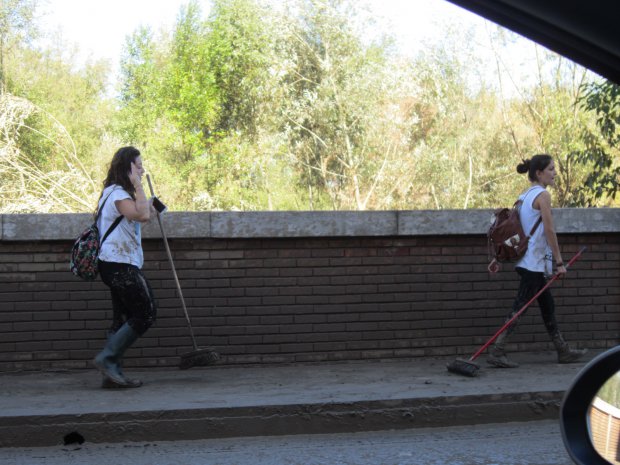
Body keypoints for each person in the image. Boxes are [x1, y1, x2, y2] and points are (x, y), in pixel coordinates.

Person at [486, 154, 587, 368]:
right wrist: (560, 262)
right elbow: (550, 230)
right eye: (551, 169)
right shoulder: (542, 196)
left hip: (531, 262)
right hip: (532, 264)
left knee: (547, 305)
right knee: (519, 307)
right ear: (539, 173)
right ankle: (497, 351)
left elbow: (516, 231)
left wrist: (497, 257)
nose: (554, 173)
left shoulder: (524, 197)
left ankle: (563, 350)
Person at [93, 146, 156, 388]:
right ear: (127, 167)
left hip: (116, 263)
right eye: (138, 165)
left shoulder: (116, 193)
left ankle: (111, 375)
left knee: (121, 319)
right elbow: (141, 216)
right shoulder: (118, 193)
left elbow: (142, 213)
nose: (142, 169)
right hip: (119, 265)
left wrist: (148, 203)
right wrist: (139, 187)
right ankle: (107, 359)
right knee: (146, 312)